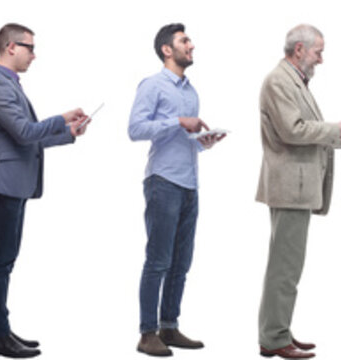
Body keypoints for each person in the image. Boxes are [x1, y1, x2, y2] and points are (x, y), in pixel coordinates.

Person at [0, 23, 90, 358]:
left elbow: (25, 138)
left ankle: (0, 331)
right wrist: (60, 118)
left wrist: (68, 133)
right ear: (11, 46)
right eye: (29, 47)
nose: (33, 55)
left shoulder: (10, 85)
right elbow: (25, 133)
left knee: (5, 261)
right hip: (3, 183)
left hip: (14, 183)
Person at [255, 23, 341, 360]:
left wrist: (340, 135)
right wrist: (333, 128)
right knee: (285, 265)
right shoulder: (279, 80)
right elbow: (293, 130)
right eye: (318, 51)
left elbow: (304, 129)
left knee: (288, 264)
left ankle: (278, 329)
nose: (321, 59)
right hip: (289, 186)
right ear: (299, 49)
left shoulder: (294, 80)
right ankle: (273, 337)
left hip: (296, 186)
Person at [128, 23, 218, 357]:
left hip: (190, 183)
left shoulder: (191, 92)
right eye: (184, 41)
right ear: (168, 49)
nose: (191, 45)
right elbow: (135, 129)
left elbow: (187, 142)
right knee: (158, 261)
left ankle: (169, 326)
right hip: (163, 182)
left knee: (182, 262)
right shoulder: (152, 85)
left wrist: (203, 143)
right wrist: (178, 122)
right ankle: (147, 332)